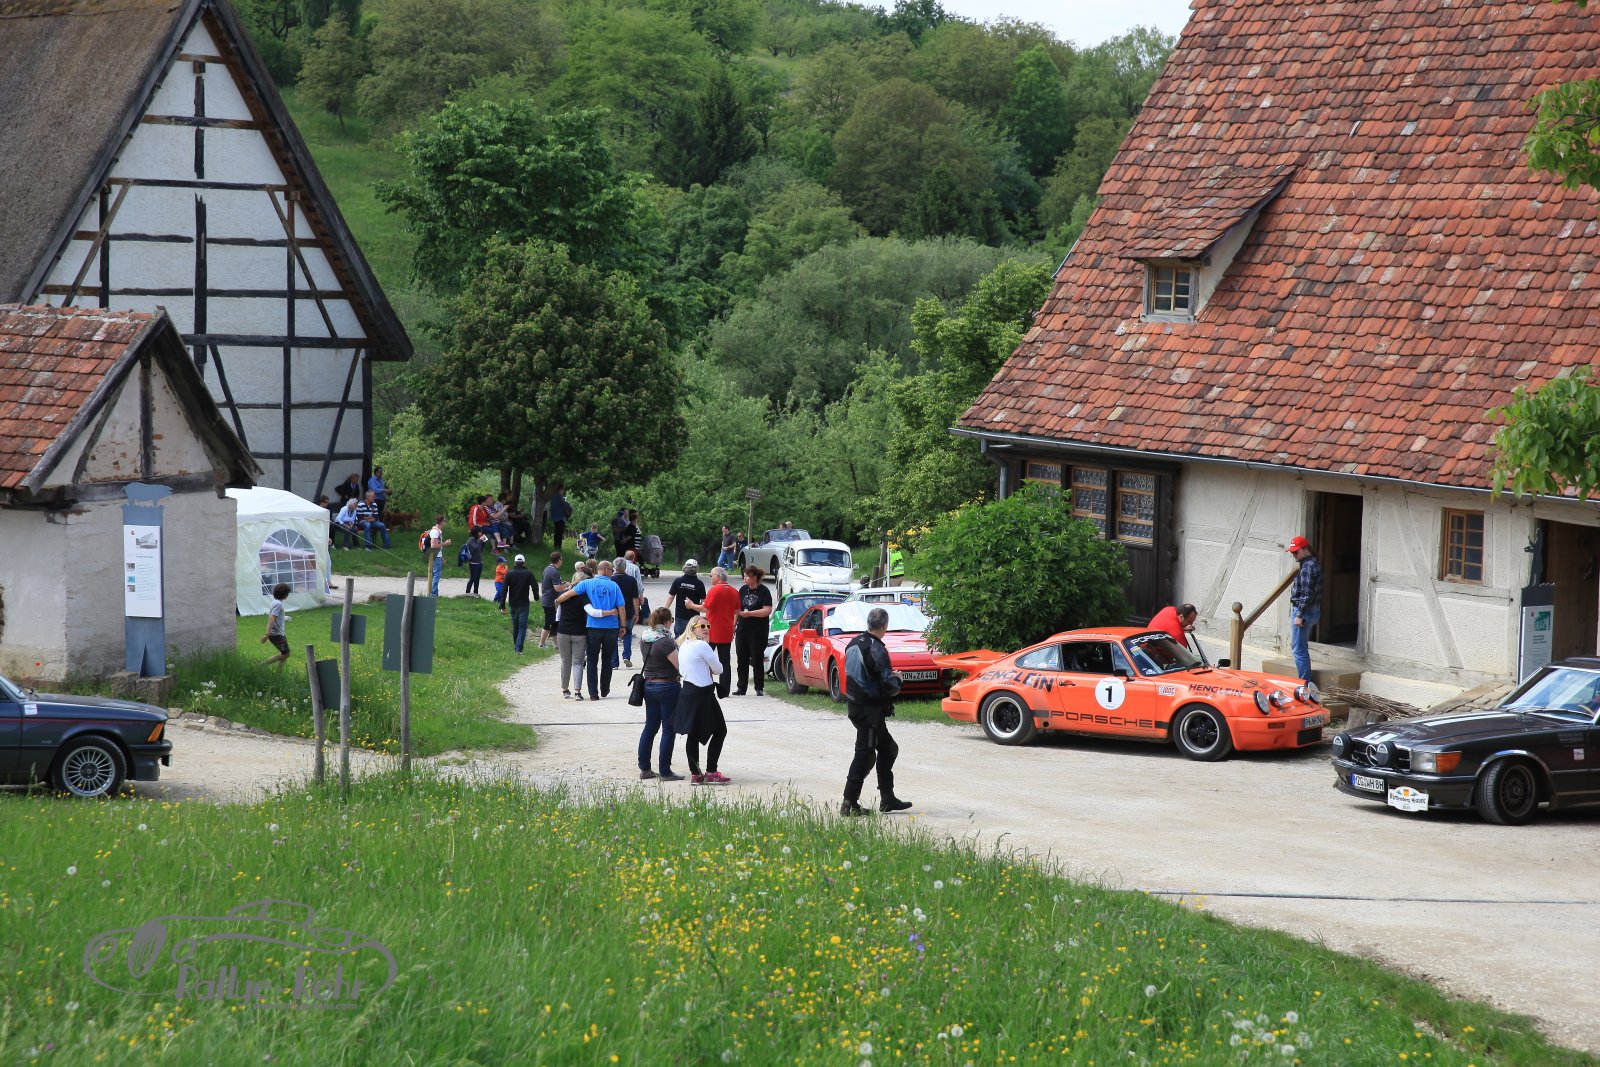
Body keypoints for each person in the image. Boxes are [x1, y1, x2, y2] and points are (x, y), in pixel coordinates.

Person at [840, 606, 911, 816]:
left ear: (868, 623)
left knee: (889, 749)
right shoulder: (877, 649)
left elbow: (864, 674)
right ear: (885, 626)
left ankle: (887, 799)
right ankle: (849, 803)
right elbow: (889, 686)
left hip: (857, 706)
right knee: (865, 755)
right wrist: (898, 680)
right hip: (869, 711)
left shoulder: (854, 642)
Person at [671, 616, 728, 785]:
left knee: (693, 734)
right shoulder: (702, 645)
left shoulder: (684, 645)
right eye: (702, 626)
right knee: (720, 730)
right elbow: (719, 669)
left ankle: (695, 774)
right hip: (703, 693)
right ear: (692, 627)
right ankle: (711, 771)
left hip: (688, 691)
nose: (706, 629)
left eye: (708, 626)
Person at [559, 559, 624, 699]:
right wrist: (623, 625)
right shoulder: (614, 586)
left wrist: (557, 601)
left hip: (593, 627)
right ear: (605, 570)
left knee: (592, 659)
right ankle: (605, 689)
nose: (612, 572)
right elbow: (621, 606)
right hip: (611, 627)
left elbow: (568, 594)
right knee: (607, 659)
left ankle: (593, 693)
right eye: (611, 570)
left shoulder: (587, 583)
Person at [638, 607, 684, 782]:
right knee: (668, 729)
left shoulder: (645, 637)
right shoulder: (665, 642)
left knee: (650, 727)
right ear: (666, 622)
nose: (671, 623)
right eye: (671, 620)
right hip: (667, 685)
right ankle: (665, 771)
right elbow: (679, 665)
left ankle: (645, 768)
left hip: (649, 684)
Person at [695, 566, 739, 699]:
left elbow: (705, 608)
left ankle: (704, 686)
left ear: (717, 577)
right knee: (725, 661)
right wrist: (733, 624)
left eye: (711, 575)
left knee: (704, 659)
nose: (710, 578)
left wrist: (691, 605)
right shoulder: (734, 591)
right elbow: (737, 611)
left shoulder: (714, 590)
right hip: (726, 629)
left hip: (711, 629)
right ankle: (724, 691)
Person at [733, 565, 774, 696]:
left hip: (758, 631)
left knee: (757, 658)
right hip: (742, 629)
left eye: (747, 576)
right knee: (742, 658)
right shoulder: (743, 590)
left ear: (754, 577)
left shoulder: (764, 591)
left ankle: (759, 687)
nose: (745, 579)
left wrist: (750, 613)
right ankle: (741, 687)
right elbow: (737, 610)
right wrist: (733, 625)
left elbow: (767, 610)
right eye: (744, 576)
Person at [1287, 535, 1323, 682]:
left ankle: (1304, 684)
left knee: (1299, 650)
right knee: (1300, 648)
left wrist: (1299, 615)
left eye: (1296, 551)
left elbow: (1307, 594)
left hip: (1304, 612)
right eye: (1292, 552)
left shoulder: (1308, 567)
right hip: (1312, 610)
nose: (1294, 554)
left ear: (1305, 549)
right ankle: (1304, 682)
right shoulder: (1313, 563)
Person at [555, 561, 591, 699]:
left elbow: (558, 614)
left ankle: (565, 690)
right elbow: (589, 612)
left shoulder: (564, 595)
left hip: (563, 630)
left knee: (565, 661)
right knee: (578, 662)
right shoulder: (585, 596)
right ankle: (577, 692)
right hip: (579, 631)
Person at [611, 557, 642, 669]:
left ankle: (614, 663)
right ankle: (626, 656)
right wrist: (637, 613)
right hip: (628, 611)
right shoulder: (631, 580)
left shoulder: (611, 580)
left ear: (614, 567)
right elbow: (635, 598)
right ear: (625, 567)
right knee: (628, 633)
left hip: (613, 612)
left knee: (613, 636)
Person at [504, 554, 536, 654]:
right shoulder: (528, 573)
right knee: (522, 627)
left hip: (513, 604)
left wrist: (502, 605)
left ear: (515, 563)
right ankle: (518, 649)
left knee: (516, 627)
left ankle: (516, 648)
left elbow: (504, 589)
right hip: (524, 604)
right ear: (524, 563)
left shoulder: (509, 574)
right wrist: (536, 597)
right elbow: (535, 586)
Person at [667, 560, 706, 637]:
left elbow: (670, 597)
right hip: (694, 616)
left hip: (680, 615)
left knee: (679, 638)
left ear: (685, 568)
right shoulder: (699, 584)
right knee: (693, 637)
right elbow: (703, 602)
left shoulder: (678, 581)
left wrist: (665, 609)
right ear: (696, 569)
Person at [260, 582, 291, 669]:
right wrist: (267, 634)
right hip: (276, 634)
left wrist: (284, 618)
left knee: (283, 654)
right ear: (285, 595)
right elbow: (272, 618)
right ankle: (262, 665)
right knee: (287, 654)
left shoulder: (275, 602)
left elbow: (275, 617)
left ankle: (278, 673)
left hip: (278, 633)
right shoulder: (278, 604)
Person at [538, 551, 565, 649]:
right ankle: (541, 644)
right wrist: (566, 585)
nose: (562, 561)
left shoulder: (547, 569)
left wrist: (562, 584)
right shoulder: (554, 572)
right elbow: (557, 588)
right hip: (550, 601)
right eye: (561, 559)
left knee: (553, 622)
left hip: (546, 599)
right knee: (549, 623)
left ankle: (556, 644)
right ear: (559, 560)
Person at [426, 515, 451, 597]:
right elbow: (433, 545)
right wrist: (445, 543)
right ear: (441, 522)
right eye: (444, 521)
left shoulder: (438, 531)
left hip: (437, 555)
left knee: (436, 574)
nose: (445, 523)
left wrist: (441, 557)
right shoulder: (435, 532)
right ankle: (433, 594)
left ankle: (434, 593)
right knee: (437, 575)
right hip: (435, 555)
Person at [464, 530, 486, 597]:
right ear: (476, 532)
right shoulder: (471, 539)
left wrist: (483, 542)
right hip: (473, 562)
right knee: (473, 578)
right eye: (479, 532)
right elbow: (475, 547)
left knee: (477, 579)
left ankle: (476, 593)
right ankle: (467, 593)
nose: (481, 533)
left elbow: (480, 549)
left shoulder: (477, 539)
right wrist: (480, 540)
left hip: (480, 561)